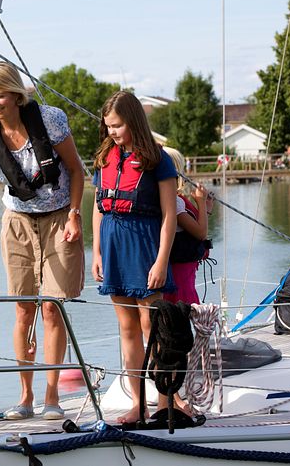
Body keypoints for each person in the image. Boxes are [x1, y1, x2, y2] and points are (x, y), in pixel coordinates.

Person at [0, 62, 85, 421]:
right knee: (23, 308)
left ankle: (51, 397)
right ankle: (25, 397)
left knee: (51, 307)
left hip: (60, 216)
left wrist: (75, 214)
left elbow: (76, 170)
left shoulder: (50, 119)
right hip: (17, 221)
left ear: (15, 94)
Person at [91, 91, 177, 424]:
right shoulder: (105, 158)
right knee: (127, 329)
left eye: (118, 125)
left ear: (134, 121)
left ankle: (165, 401)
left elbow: (170, 216)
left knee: (152, 327)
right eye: (108, 126)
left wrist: (160, 261)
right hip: (112, 244)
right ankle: (138, 404)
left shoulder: (158, 159)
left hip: (144, 245)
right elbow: (99, 210)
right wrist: (96, 253)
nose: (112, 132)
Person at [164, 147, 214, 305]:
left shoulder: (173, 199)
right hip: (179, 272)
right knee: (182, 307)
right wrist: (200, 202)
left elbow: (197, 227)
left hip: (182, 270)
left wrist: (205, 210)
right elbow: (200, 233)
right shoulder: (175, 202)